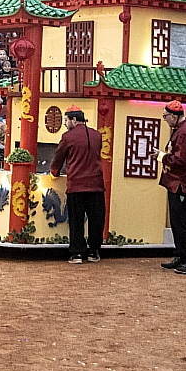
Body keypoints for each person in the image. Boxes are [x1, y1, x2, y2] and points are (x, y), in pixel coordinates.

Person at [50, 106, 105, 264]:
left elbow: (58, 158)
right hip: (96, 184)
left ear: (74, 120)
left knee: (76, 220)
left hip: (76, 185)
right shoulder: (97, 135)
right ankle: (94, 251)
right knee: (96, 220)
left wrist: (54, 172)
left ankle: (77, 254)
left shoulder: (67, 137)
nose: (65, 124)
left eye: (66, 120)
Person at [155, 100, 186, 274]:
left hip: (182, 184)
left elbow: (180, 160)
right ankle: (182, 256)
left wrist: (162, 156)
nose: (165, 120)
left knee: (180, 223)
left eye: (166, 117)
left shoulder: (183, 133)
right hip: (185, 184)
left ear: (174, 116)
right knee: (179, 222)